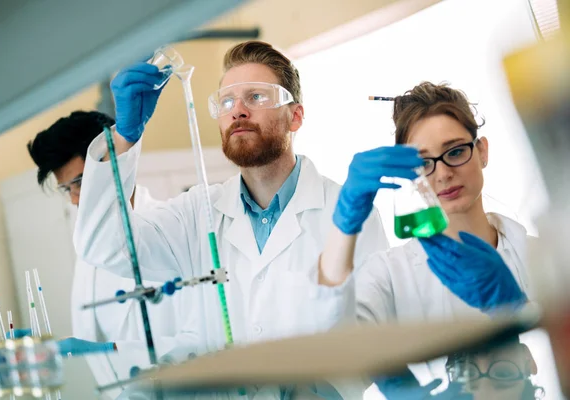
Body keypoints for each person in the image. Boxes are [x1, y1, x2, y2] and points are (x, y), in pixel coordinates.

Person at [73, 41, 389, 398]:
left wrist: (318, 388)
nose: (238, 110)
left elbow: (377, 329)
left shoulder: (347, 212)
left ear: (296, 116)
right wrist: (124, 138)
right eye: (227, 101)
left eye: (256, 97)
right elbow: (106, 247)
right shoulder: (197, 213)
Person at [318, 82, 532, 397]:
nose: (443, 173)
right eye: (423, 162)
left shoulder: (543, 256)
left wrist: (516, 311)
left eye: (456, 151)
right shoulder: (388, 273)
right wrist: (344, 226)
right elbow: (332, 350)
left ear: (482, 151)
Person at [27, 111, 181, 397]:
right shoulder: (89, 249)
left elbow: (203, 338)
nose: (75, 199)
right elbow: (91, 340)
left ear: (118, 162)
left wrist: (112, 351)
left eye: (80, 182)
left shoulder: (171, 233)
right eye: (66, 188)